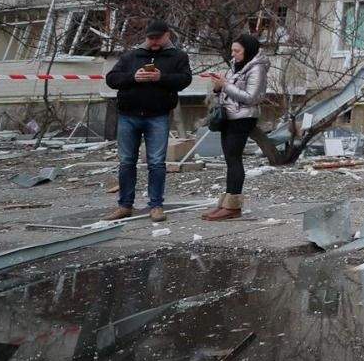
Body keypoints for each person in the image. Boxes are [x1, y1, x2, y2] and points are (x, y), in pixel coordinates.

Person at [104, 21, 192, 222]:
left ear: (167, 35)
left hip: (158, 116)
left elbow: (185, 80)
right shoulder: (131, 56)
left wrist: (161, 77)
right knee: (126, 162)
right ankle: (125, 205)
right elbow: (112, 79)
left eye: (157, 38)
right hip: (128, 115)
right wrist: (134, 77)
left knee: (156, 163)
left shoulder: (178, 56)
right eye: (150, 38)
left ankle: (156, 206)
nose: (153, 42)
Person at [201, 33, 269, 221]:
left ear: (248, 51)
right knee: (229, 159)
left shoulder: (257, 69)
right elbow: (228, 90)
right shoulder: (236, 66)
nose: (233, 54)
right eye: (232, 50)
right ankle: (226, 203)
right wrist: (217, 87)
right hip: (229, 116)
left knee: (234, 159)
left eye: (237, 51)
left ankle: (233, 207)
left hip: (243, 118)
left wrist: (226, 85)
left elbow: (252, 97)